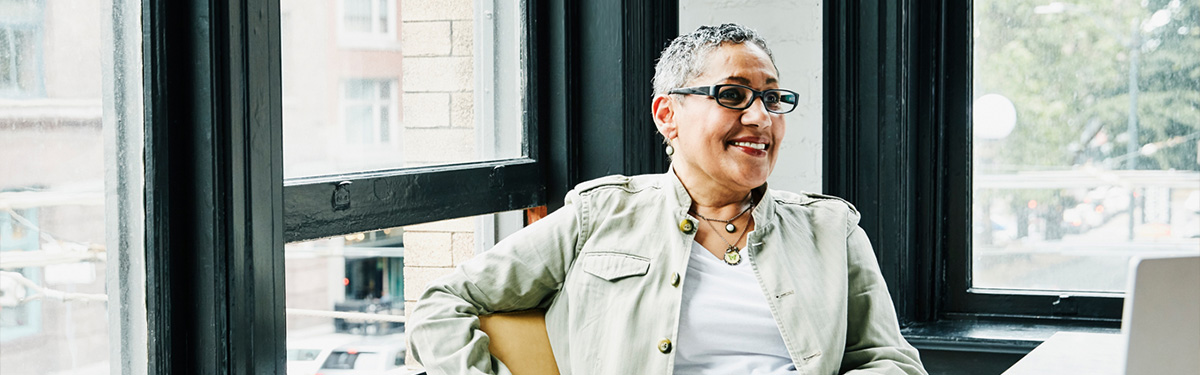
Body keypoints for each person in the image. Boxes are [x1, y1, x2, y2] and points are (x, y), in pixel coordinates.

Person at [408, 23, 927, 375]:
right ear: (667, 115)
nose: (760, 118)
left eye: (772, 97)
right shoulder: (600, 215)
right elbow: (442, 304)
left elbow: (891, 359)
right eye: (732, 95)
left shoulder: (830, 230)